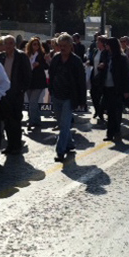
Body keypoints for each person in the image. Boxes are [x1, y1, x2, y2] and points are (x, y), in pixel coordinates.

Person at [48, 33, 87, 162]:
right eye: (60, 46)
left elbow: (81, 81)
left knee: (64, 125)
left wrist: (82, 100)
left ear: (71, 46)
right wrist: (51, 90)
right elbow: (51, 75)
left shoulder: (76, 61)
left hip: (69, 97)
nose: (62, 48)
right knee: (61, 123)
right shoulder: (56, 58)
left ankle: (60, 151)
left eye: (65, 46)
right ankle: (69, 144)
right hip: (56, 95)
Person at [0, 35, 31, 154]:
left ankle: (16, 145)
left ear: (14, 44)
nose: (9, 46)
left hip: (16, 93)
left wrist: (21, 90)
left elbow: (27, 74)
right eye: (6, 43)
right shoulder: (0, 57)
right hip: (3, 93)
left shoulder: (21, 56)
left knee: (16, 119)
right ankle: (10, 145)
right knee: (6, 120)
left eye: (11, 43)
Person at [101, 37, 129, 141]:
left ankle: (117, 132)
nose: (106, 46)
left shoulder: (122, 58)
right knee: (109, 111)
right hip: (107, 86)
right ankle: (110, 133)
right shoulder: (106, 56)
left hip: (117, 88)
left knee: (116, 111)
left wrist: (126, 90)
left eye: (108, 44)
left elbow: (126, 75)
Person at [25, 37, 48, 130]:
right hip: (29, 81)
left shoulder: (41, 55)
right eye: (34, 44)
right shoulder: (27, 55)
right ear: (31, 45)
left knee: (32, 102)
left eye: (38, 44)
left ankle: (31, 121)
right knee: (31, 102)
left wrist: (39, 64)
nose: (36, 46)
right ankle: (37, 120)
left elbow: (46, 66)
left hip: (38, 82)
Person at [88, 36, 107, 122]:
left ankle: (100, 112)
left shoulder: (106, 52)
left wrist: (103, 65)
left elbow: (106, 63)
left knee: (100, 95)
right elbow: (92, 61)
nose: (96, 43)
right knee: (93, 93)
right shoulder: (95, 51)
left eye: (98, 41)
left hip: (101, 76)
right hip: (94, 75)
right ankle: (97, 110)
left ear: (102, 43)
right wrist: (89, 62)